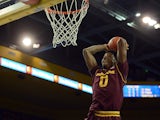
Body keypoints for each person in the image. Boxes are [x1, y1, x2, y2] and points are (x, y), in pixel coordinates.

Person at [82, 37, 129, 120]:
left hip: (112, 115)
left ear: (114, 61)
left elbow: (121, 42)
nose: (104, 59)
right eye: (103, 58)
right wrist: (105, 46)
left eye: (108, 57)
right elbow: (86, 51)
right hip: (95, 113)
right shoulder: (96, 72)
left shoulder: (119, 71)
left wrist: (119, 44)